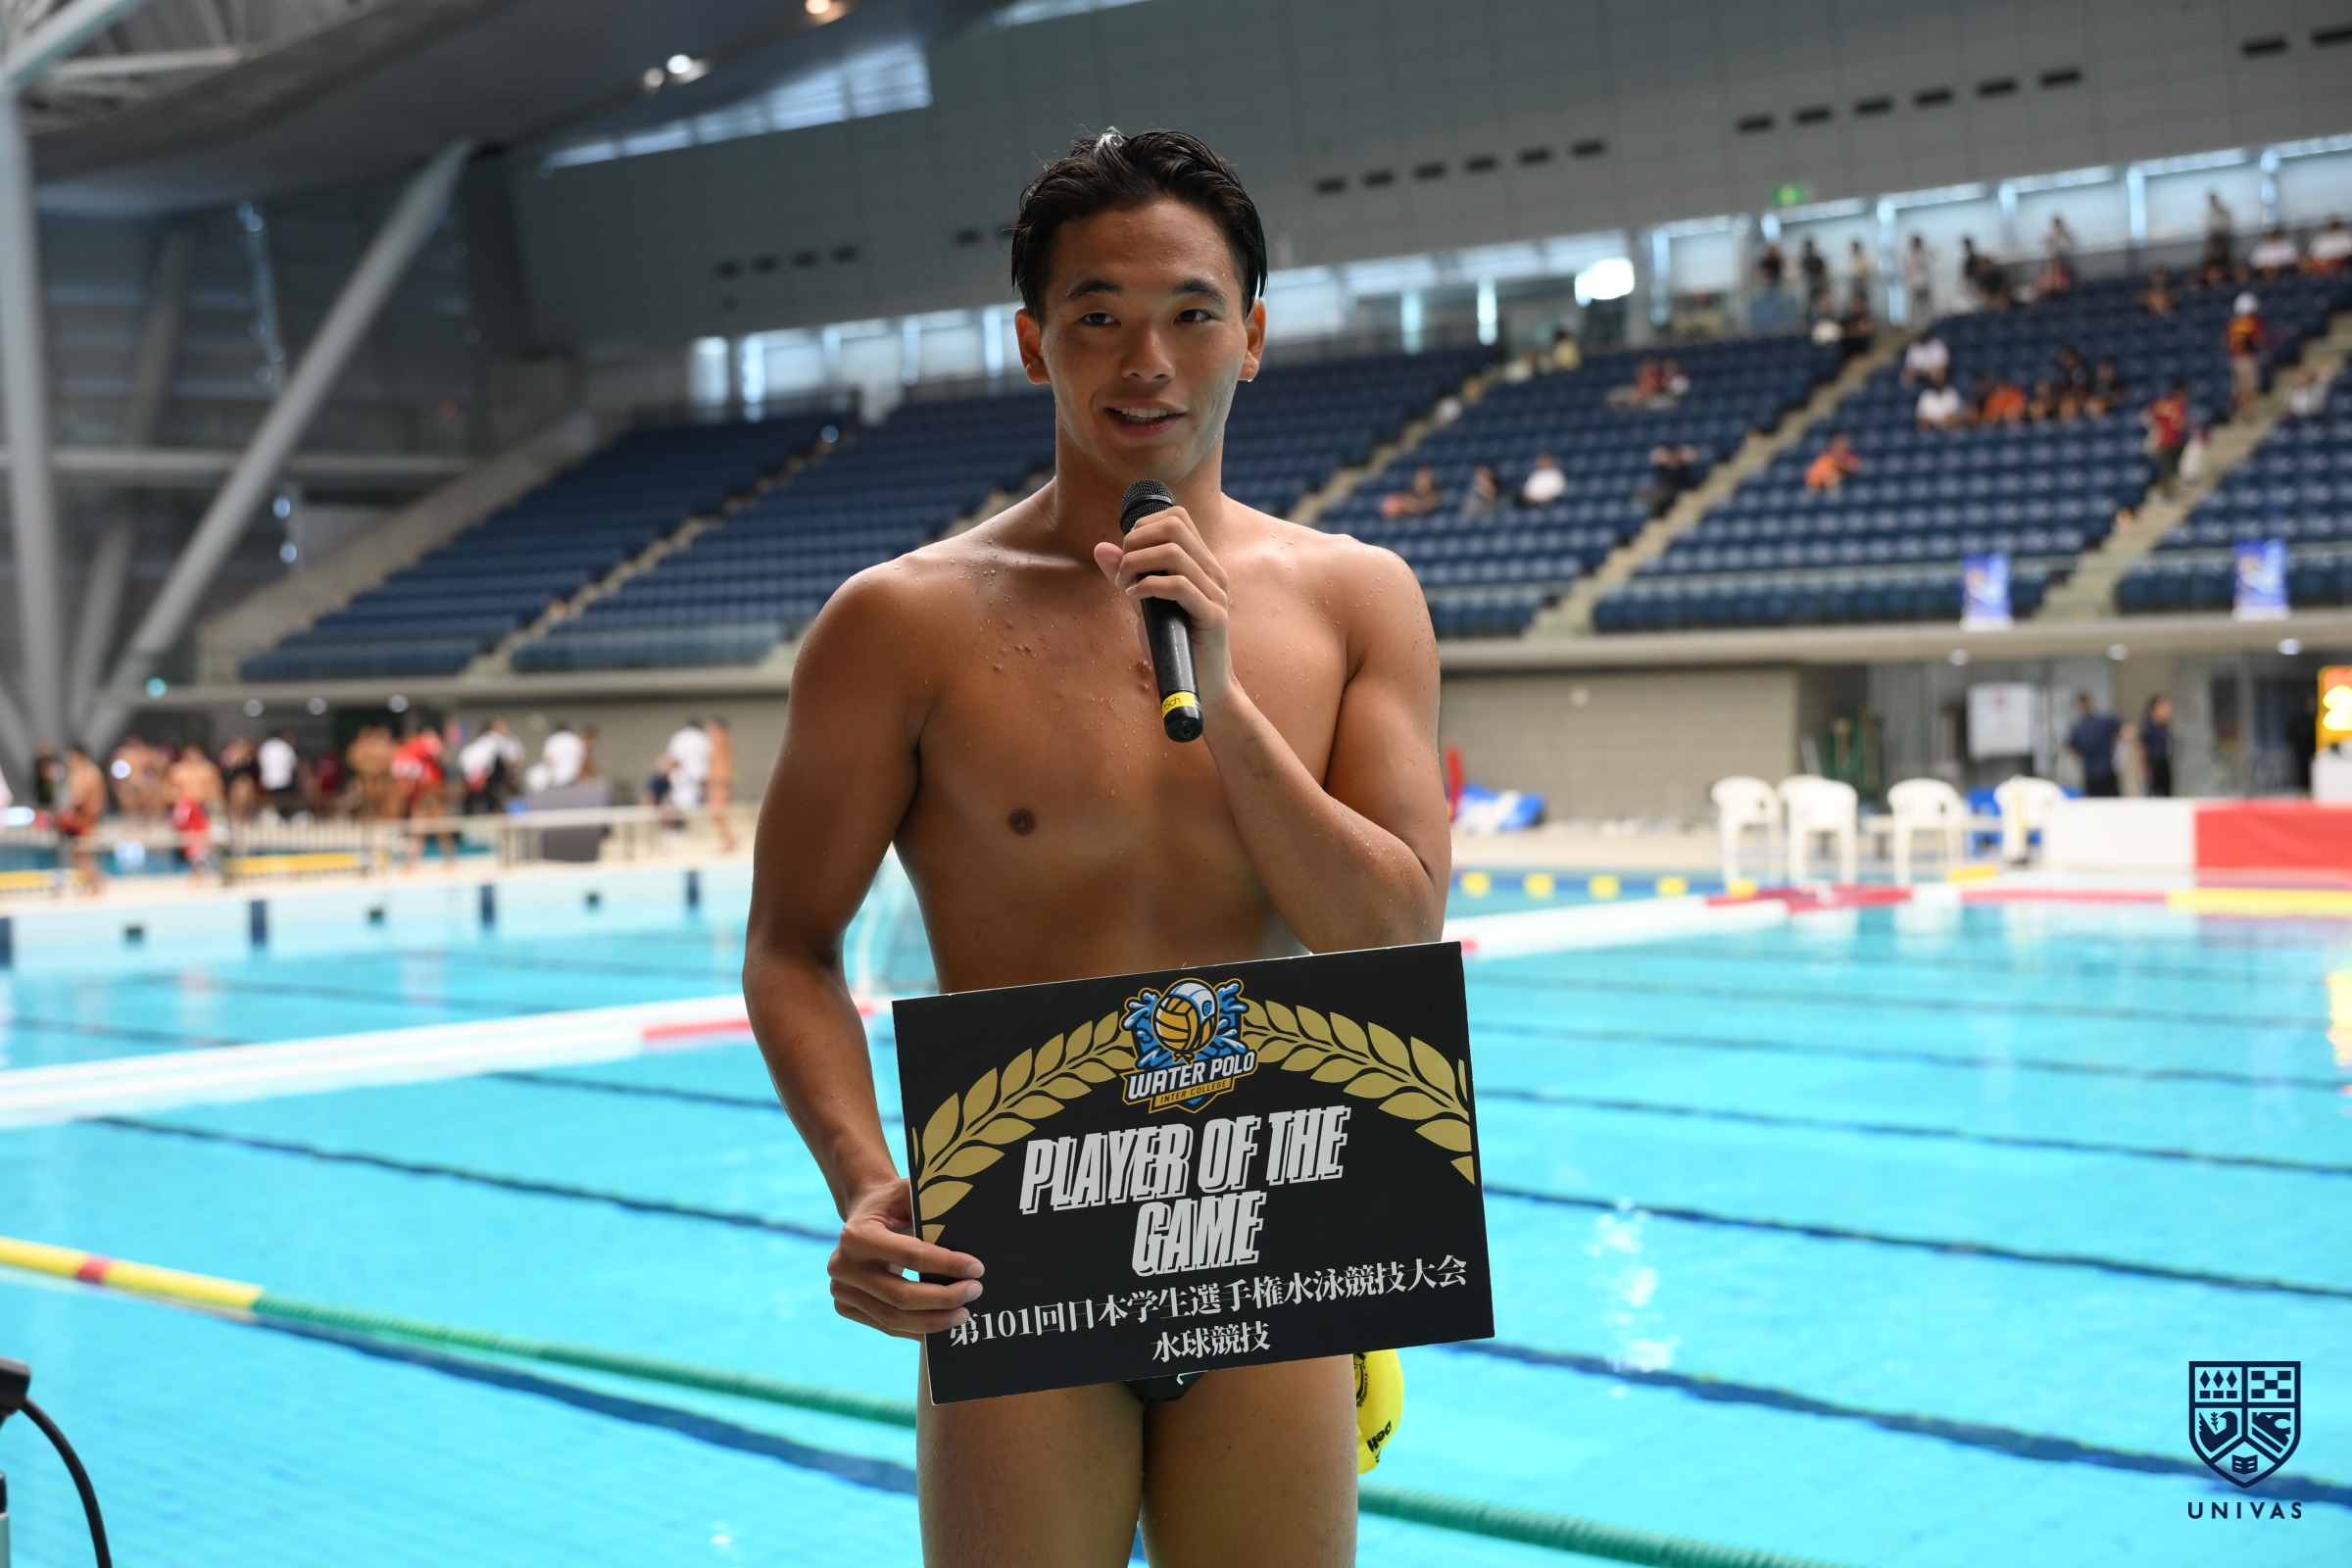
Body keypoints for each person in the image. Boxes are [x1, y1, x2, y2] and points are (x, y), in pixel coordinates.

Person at [742, 127, 1443, 1566]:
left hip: (1273, 1222)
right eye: (1099, 316)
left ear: (1253, 334)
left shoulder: (1359, 601)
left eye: (1192, 313)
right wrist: (863, 1181)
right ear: (1032, 342)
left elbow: (1395, 937)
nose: (1148, 363)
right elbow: (789, 946)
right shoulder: (901, 623)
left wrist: (1226, 699)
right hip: (1018, 1241)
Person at [167, 742, 222, 882]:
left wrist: (203, 801)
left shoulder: (208, 770)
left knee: (203, 839)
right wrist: (184, 801)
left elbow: (216, 790)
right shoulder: (177, 770)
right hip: (184, 808)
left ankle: (203, 869)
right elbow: (168, 792)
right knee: (189, 839)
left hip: (203, 807)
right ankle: (196, 869)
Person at [57, 747, 108, 893]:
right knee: (80, 854)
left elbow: (78, 798)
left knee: (80, 854)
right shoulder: (93, 772)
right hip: (88, 817)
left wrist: (68, 816)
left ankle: (97, 884)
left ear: (79, 757)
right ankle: (97, 883)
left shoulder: (84, 774)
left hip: (84, 819)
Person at [459, 719, 523, 814]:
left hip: (488, 776)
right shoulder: (491, 740)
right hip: (481, 774)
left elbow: (514, 760)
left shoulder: (505, 741)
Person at [2066, 695, 2124, 798]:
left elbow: (2071, 751)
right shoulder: (2103, 721)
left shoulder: (2078, 728)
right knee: (2112, 802)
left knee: (2094, 803)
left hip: (2092, 775)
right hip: (2106, 772)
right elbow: (2125, 730)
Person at [2144, 383, 2190, 491]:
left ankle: (2170, 488)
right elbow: (2179, 424)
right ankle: (2166, 491)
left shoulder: (2162, 402)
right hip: (2171, 440)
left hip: (2168, 440)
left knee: (2170, 466)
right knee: (2167, 468)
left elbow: (2146, 415)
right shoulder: (2178, 404)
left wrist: (2154, 428)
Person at [2226, 292, 2265, 413]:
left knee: (2240, 387)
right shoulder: (2252, 322)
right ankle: (2247, 414)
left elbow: (2225, 341)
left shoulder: (2233, 322)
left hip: (2234, 359)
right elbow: (2259, 340)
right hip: (2247, 358)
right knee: (2250, 389)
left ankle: (2239, 409)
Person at [665, 717, 713, 813]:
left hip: (682, 785)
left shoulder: (679, 737)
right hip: (700, 783)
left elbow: (671, 761)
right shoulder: (704, 738)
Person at [1637, 444, 1699, 517]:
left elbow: (1691, 457)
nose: (1672, 458)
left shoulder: (1683, 467)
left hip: (1679, 492)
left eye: (1673, 456)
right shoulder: (1663, 468)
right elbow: (1655, 456)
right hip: (1665, 493)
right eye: (1669, 456)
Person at [706, 715, 738, 854]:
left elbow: (724, 767)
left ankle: (730, 839)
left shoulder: (724, 743)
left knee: (716, 813)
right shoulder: (715, 747)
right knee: (714, 814)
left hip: (721, 782)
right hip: (717, 782)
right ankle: (727, 839)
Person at [257, 731, 300, 815]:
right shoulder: (285, 746)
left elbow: (260, 762)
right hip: (284, 780)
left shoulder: (265, 746)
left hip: (268, 780)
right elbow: (293, 763)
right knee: (284, 800)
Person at [1378, 466, 1446, 518]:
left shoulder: (1436, 490)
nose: (1422, 480)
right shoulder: (1410, 490)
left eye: (1425, 477)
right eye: (1420, 477)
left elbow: (1428, 504)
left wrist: (1412, 505)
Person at [2141, 695, 2174, 799]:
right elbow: (2142, 746)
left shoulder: (2165, 727)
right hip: (2153, 763)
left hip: (2164, 762)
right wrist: (2146, 763)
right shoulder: (2148, 727)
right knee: (2153, 792)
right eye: (2163, 707)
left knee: (2166, 792)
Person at [1900, 233, 1936, 322]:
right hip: (1915, 284)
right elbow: (1906, 269)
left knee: (1926, 306)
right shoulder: (1909, 255)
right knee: (1914, 307)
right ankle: (1914, 323)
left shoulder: (1923, 253)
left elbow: (1933, 256)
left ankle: (1928, 322)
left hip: (1924, 283)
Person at [542, 720, 586, 788]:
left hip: (556, 779)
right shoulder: (575, 739)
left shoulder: (553, 739)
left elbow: (549, 760)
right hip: (573, 777)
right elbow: (582, 759)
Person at [2203, 189, 2235, 270]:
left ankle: (2226, 267)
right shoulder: (2208, 214)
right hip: (2214, 237)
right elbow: (2208, 228)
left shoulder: (2225, 212)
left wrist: (2221, 232)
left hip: (2225, 236)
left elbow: (2228, 225)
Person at [1845, 237, 1875, 314]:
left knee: (1863, 302)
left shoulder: (1863, 258)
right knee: (1855, 301)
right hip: (1854, 283)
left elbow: (1866, 270)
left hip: (1861, 283)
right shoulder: (1853, 258)